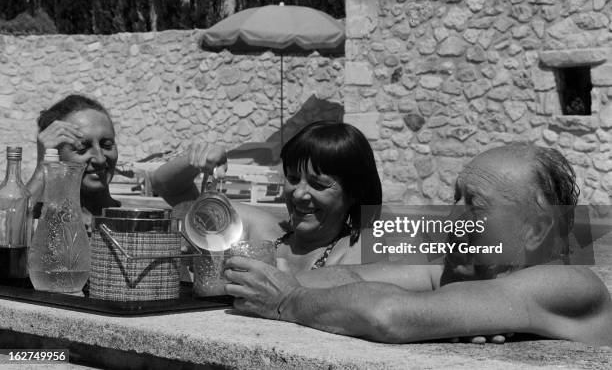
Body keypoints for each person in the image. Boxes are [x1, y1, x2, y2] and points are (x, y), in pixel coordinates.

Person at [223, 143, 612, 347]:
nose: (451, 215)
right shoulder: (457, 268)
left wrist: (285, 302)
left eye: (473, 204)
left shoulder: (568, 283)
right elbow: (340, 276)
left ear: (534, 230)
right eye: (455, 197)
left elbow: (387, 313)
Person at [154, 121, 383, 274]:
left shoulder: (358, 249)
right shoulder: (261, 230)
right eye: (293, 178)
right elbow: (168, 187)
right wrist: (195, 159)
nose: (300, 193)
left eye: (318, 184)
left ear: (354, 193)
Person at [27, 94, 227, 227]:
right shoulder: (41, 222)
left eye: (106, 145)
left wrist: (202, 154)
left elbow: (169, 185)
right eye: (82, 147)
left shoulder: (137, 221)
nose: (99, 158)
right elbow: (7, 227)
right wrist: (42, 167)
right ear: (55, 155)